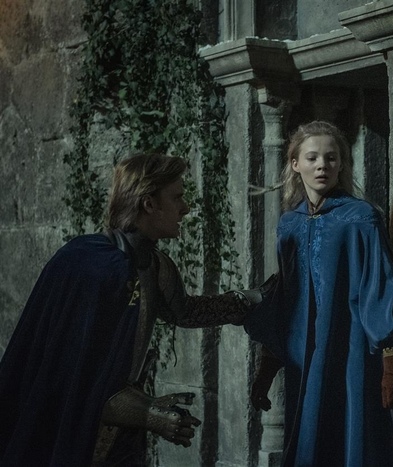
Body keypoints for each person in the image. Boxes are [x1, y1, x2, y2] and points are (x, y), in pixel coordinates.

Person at [0, 153, 269, 466]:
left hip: (121, 436)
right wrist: (149, 413)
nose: (185, 208)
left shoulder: (155, 264)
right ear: (149, 204)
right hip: (73, 433)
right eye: (177, 197)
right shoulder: (87, 264)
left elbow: (186, 312)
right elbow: (78, 381)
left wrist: (253, 298)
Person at [244, 121, 393, 466]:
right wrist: (268, 366)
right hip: (303, 359)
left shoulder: (361, 218)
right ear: (296, 163)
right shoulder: (289, 224)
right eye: (312, 157)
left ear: (341, 164)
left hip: (351, 351)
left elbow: (380, 285)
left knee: (352, 437)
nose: (322, 164)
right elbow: (285, 297)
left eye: (331, 157)